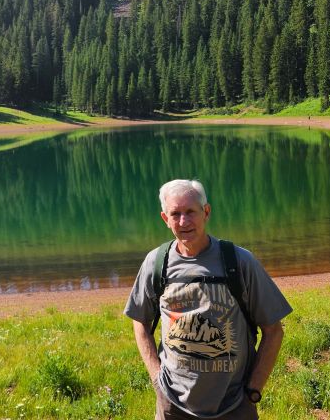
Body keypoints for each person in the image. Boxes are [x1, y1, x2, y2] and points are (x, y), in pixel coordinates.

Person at [124, 179, 292, 419]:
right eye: (175, 214)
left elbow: (274, 330)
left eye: (190, 212)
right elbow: (140, 321)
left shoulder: (240, 262)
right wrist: (157, 379)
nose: (184, 222)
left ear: (206, 212)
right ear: (165, 218)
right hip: (172, 406)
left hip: (233, 406)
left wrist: (253, 390)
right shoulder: (156, 262)